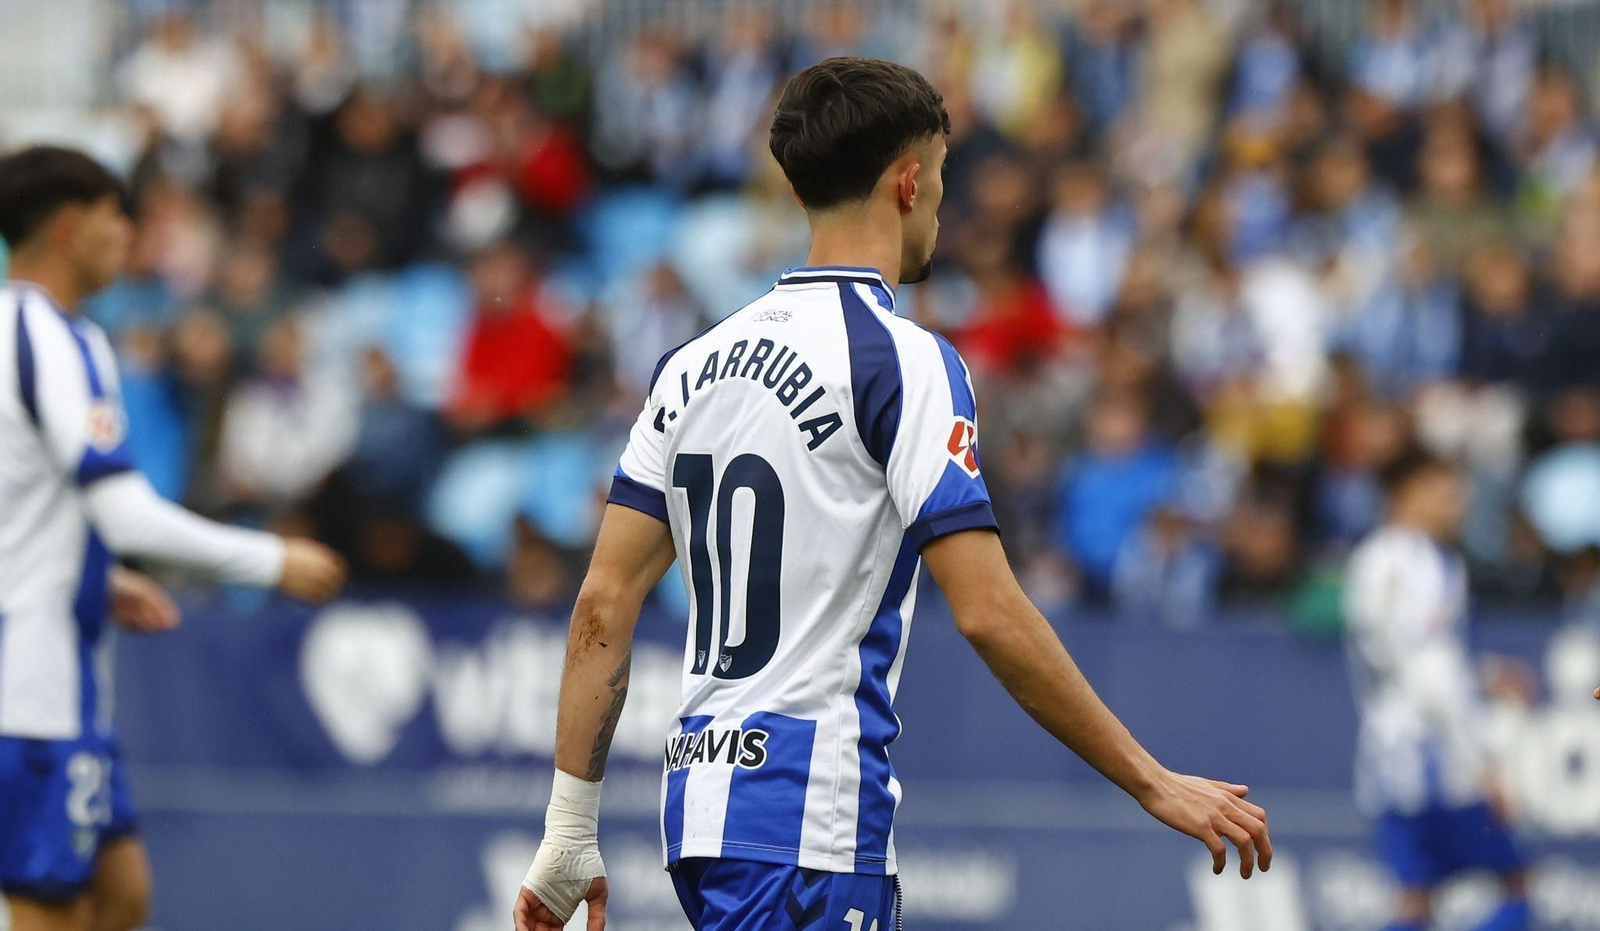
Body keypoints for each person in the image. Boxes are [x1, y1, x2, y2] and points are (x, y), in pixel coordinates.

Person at [513, 57, 1272, 931]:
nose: (942, 209)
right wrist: (1153, 779)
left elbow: (604, 600)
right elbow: (986, 610)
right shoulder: (901, 361)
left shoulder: (688, 368)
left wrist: (569, 827)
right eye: (943, 181)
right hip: (811, 821)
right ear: (910, 183)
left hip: (701, 814)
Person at [0, 146, 347, 931]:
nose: (128, 236)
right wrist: (269, 559)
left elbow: (23, 500)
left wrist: (95, 573)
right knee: (51, 911)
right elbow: (122, 512)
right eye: (115, 217)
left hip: (62, 680)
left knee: (122, 898)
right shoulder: (57, 340)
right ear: (66, 228)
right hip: (34, 692)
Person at [1344, 448, 1530, 931]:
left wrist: (1483, 675)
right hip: (1434, 755)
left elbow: (1406, 659)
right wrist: (1482, 764)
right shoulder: (1417, 563)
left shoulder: (1375, 559)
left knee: (1415, 897)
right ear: (1405, 496)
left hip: (1388, 748)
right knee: (1513, 882)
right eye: (1444, 494)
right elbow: (1430, 676)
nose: (1458, 505)